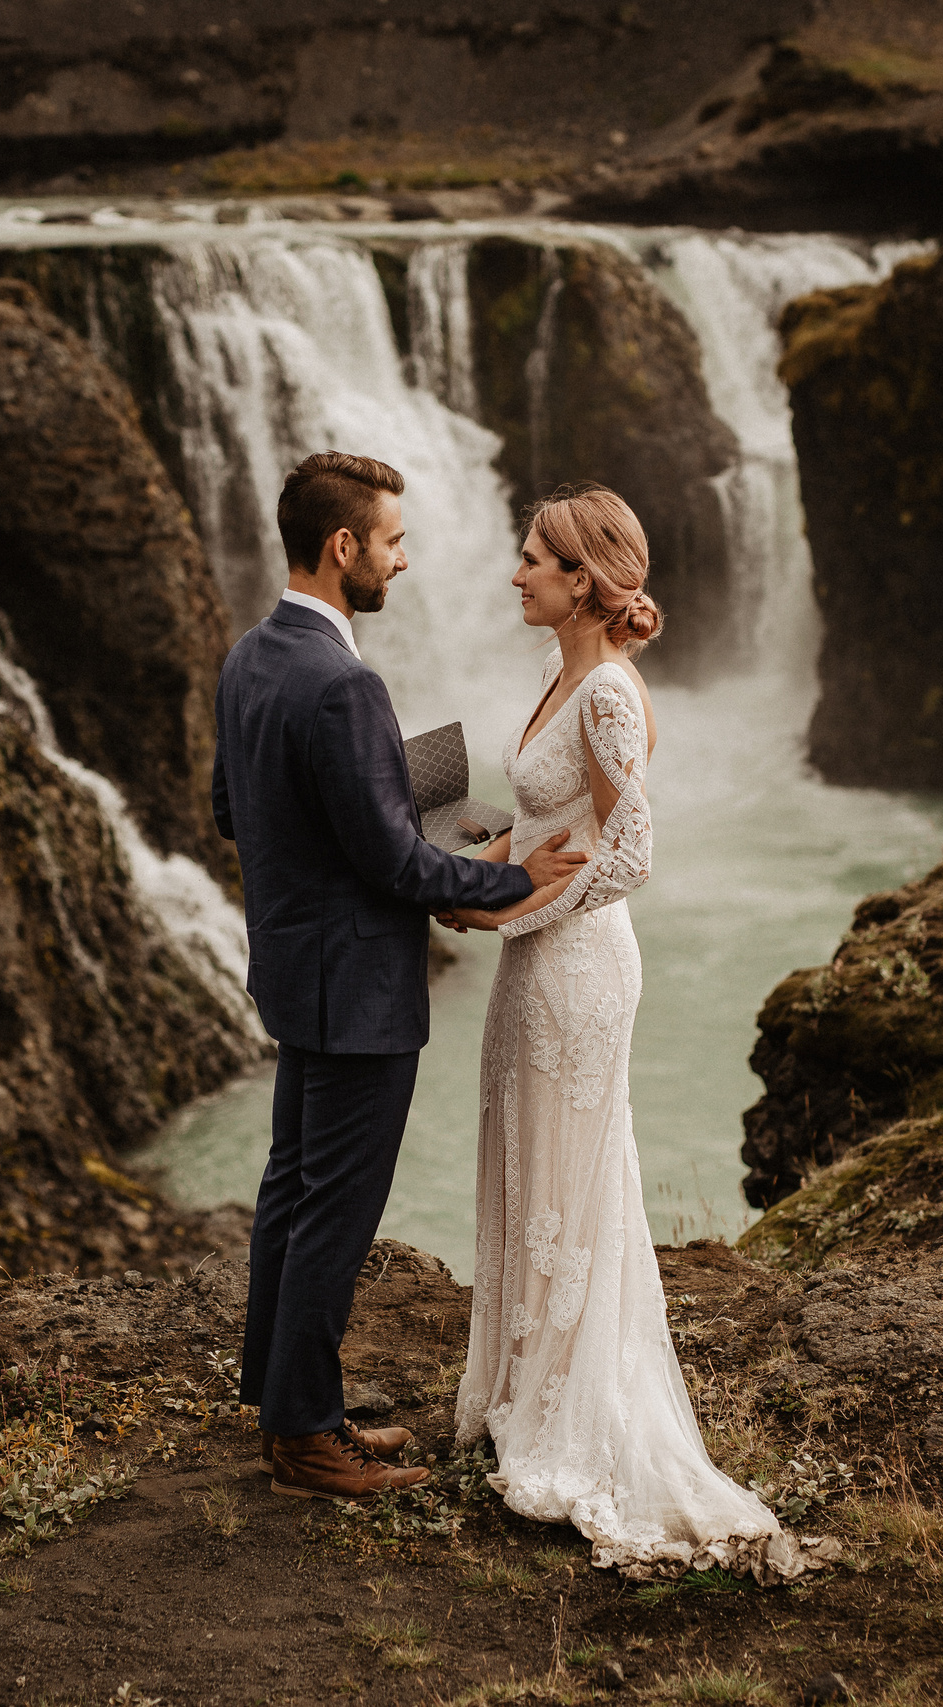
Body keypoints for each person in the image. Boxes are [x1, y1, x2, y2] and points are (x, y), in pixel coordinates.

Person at [435, 483, 819, 1580]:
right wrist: (485, 860)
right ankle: (521, 1386)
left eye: (531, 561)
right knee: (533, 1165)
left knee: (570, 1180)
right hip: (537, 957)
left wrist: (508, 907)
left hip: (577, 968)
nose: (513, 574)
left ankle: (571, 1415)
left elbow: (633, 853)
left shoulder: (604, 689)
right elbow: (562, 826)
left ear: (583, 582)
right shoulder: (562, 671)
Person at [212, 451, 589, 1501]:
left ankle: (290, 1399)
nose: (402, 559)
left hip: (295, 969)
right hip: (357, 990)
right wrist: (509, 875)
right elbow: (394, 865)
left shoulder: (250, 657)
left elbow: (232, 813)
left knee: (293, 1190)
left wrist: (382, 821)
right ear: (344, 549)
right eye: (390, 541)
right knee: (334, 1207)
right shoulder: (341, 682)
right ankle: (302, 1442)